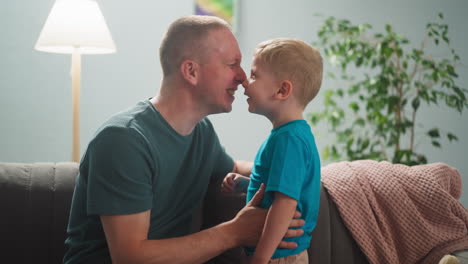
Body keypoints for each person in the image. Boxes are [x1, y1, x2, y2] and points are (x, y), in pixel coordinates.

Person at [63, 16, 305, 264]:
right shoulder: (123, 140)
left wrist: (297, 171)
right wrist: (234, 231)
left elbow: (233, 168)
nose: (243, 77)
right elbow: (130, 257)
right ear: (191, 71)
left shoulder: (201, 132)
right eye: (232, 64)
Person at [221, 38, 323, 264]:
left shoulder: (289, 141)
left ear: (282, 90)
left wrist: (260, 258)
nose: (246, 82)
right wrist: (245, 184)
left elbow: (285, 205)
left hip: (278, 257)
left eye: (255, 75)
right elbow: (278, 191)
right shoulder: (288, 136)